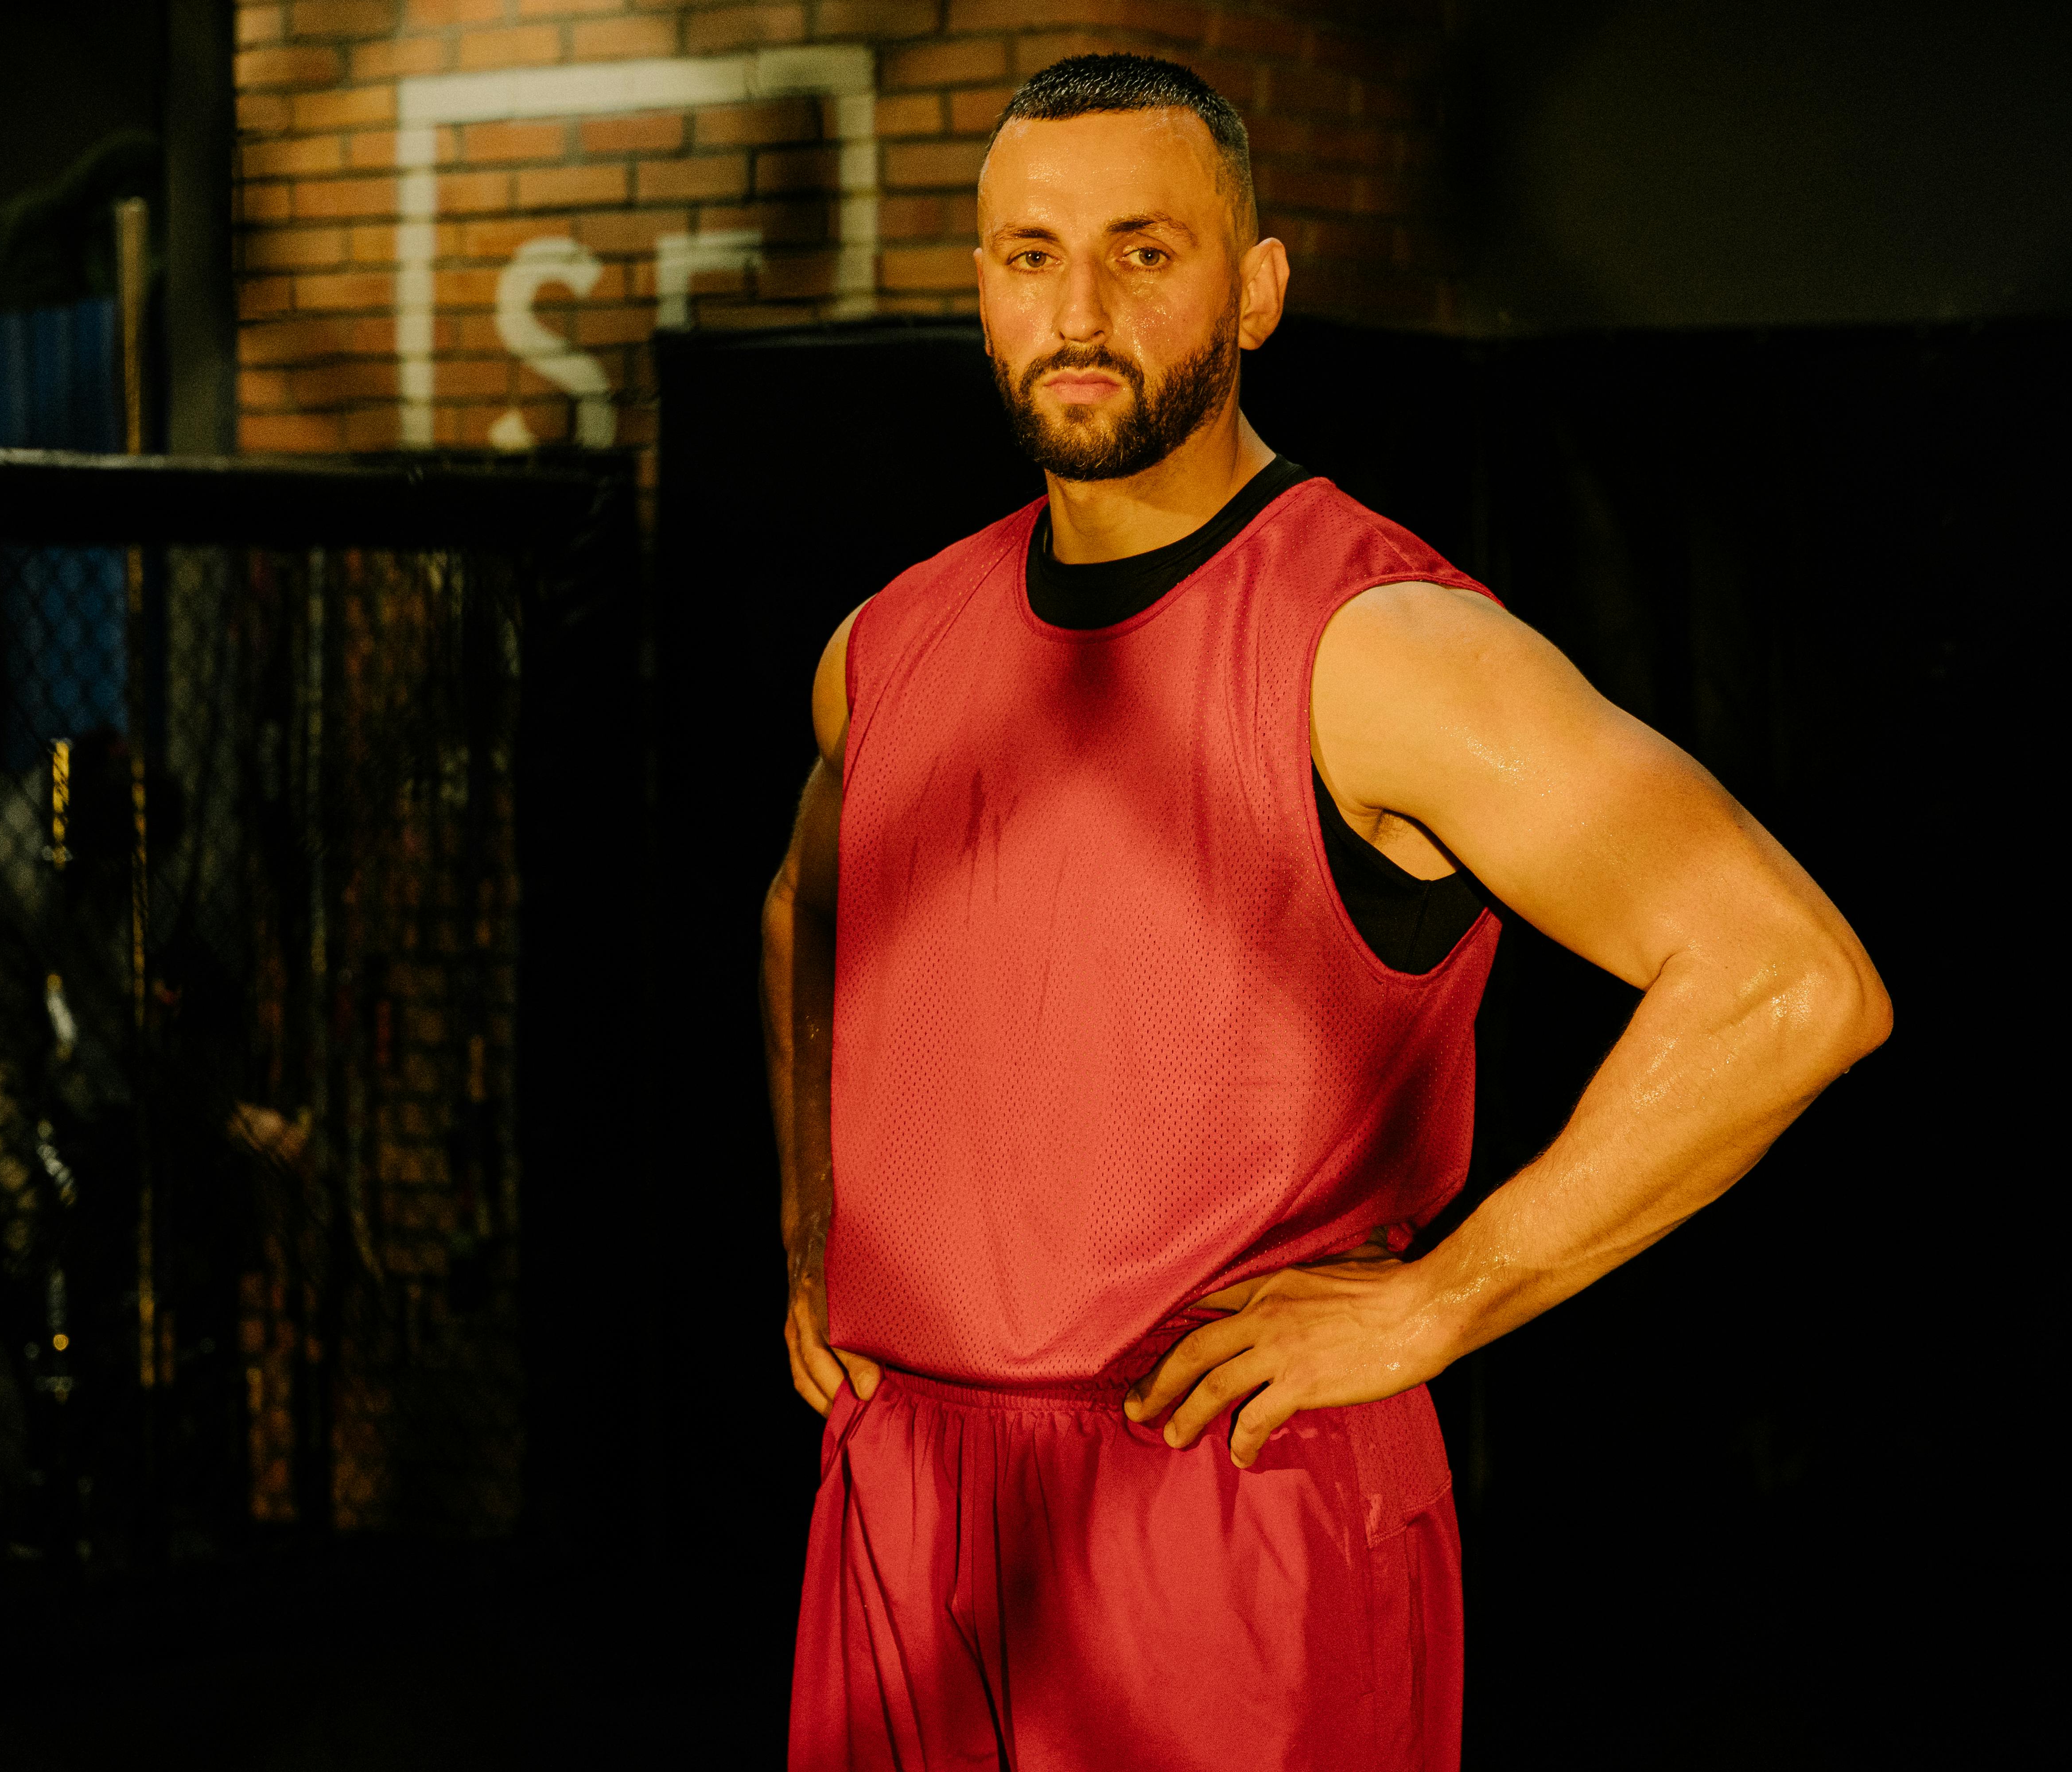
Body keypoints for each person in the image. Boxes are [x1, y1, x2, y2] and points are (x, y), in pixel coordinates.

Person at [762, 53, 1892, 1772]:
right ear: (979, 289)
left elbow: (1792, 981)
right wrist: (814, 1226)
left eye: (1144, 252)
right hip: (908, 1506)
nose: (1078, 308)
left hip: (1221, 1506)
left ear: (1258, 287)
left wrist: (1445, 1297)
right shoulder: (891, 645)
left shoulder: (1384, 651)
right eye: (1027, 256)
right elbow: (801, 917)